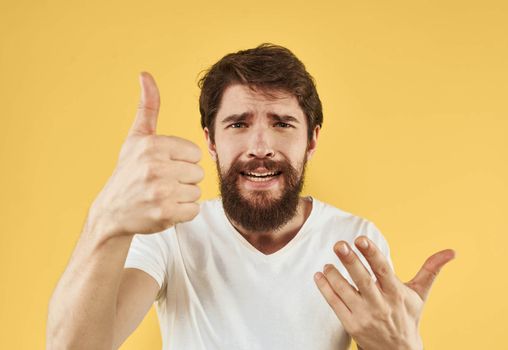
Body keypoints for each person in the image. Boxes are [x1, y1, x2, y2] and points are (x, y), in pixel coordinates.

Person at [46, 43, 455, 350]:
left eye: (282, 123)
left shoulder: (354, 241)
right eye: (239, 124)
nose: (260, 145)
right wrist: (106, 222)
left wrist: (403, 347)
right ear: (210, 140)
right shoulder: (171, 235)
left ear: (312, 140)